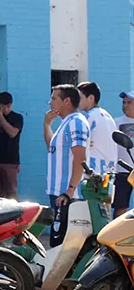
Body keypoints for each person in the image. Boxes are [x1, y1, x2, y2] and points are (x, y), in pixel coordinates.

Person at [45, 84, 92, 247]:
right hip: (59, 193)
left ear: (67, 101)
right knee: (58, 243)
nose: (50, 102)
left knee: (66, 245)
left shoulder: (76, 123)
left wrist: (70, 190)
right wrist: (47, 125)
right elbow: (52, 148)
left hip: (67, 196)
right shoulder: (66, 123)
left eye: (53, 98)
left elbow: (80, 158)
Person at [79, 81, 119, 179]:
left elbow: (80, 145)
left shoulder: (89, 117)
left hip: (94, 174)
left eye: (80, 98)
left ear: (91, 98)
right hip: (109, 172)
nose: (77, 101)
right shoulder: (108, 116)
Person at [116, 92, 134, 213]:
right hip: (122, 171)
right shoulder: (115, 122)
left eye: (129, 102)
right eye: (124, 102)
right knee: (121, 206)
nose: (126, 105)